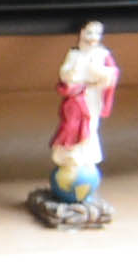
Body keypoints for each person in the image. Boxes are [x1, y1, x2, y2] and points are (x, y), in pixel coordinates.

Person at [29, 20, 119, 227]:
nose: (92, 37)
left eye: (97, 33)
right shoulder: (75, 54)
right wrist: (75, 74)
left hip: (92, 97)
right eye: (89, 32)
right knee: (71, 127)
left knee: (90, 128)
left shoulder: (102, 55)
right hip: (76, 99)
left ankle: (83, 159)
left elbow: (111, 74)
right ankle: (69, 156)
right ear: (81, 33)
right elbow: (66, 74)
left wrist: (100, 74)